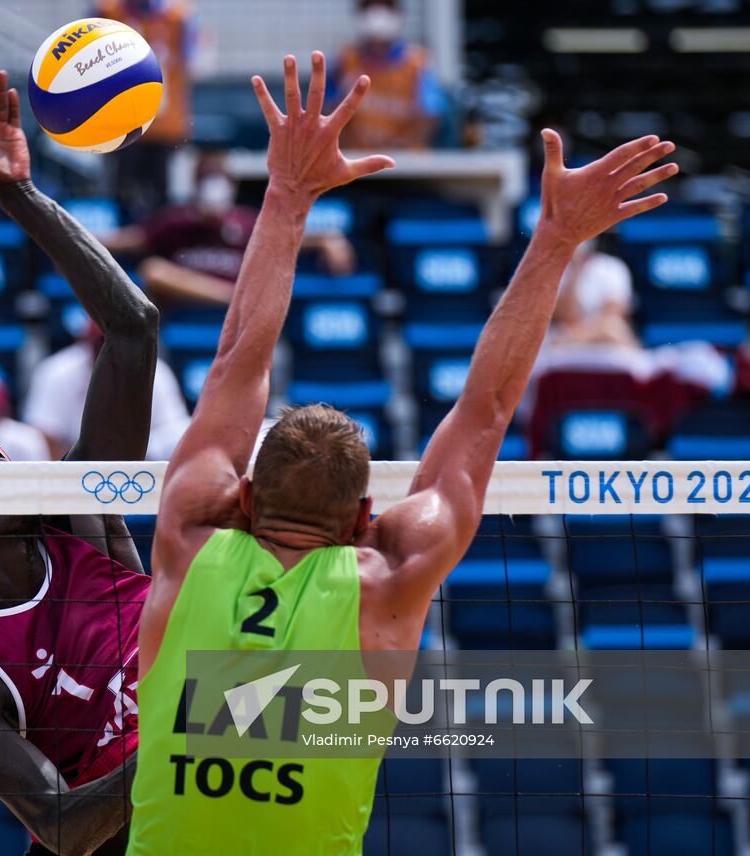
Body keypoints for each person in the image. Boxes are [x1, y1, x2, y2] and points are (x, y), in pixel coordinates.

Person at [128, 51, 676, 852]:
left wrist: (285, 194)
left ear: (244, 499)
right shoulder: (386, 581)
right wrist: (556, 240)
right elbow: (484, 413)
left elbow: (236, 358)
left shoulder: (187, 536)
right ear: (363, 517)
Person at [0, 69, 160, 856]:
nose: (2, 454)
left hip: (207, 808)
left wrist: (20, 198)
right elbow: (60, 825)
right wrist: (175, 756)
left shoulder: (78, 513)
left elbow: (134, 331)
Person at [102, 150, 357, 307]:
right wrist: (67, 236)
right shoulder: (175, 221)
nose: (214, 187)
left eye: (219, 178)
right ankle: (230, 297)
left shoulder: (249, 222)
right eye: (207, 178)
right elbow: (129, 241)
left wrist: (330, 240)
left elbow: (293, 238)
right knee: (153, 271)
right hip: (189, 308)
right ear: (195, 185)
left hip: (238, 320)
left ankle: (235, 300)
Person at [93, 0, 203, 219]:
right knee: (121, 194)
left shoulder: (180, 16)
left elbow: (197, 63)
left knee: (164, 198)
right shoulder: (107, 11)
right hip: (119, 124)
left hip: (165, 124)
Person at [24, 323, 190, 461]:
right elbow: (47, 436)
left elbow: (173, 429)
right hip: (74, 465)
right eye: (103, 341)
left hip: (141, 465)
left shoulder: (156, 372)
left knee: (180, 433)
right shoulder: (58, 370)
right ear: (87, 341)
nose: (110, 349)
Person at [333, 0, 446, 150]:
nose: (378, 15)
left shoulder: (418, 62)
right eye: (370, 7)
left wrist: (397, 150)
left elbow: (430, 114)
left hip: (406, 164)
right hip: (353, 162)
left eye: (386, 7)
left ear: (398, 13)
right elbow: (329, 112)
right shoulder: (345, 60)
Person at [550, 240, 639, 348]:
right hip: (566, 336)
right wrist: (575, 271)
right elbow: (566, 318)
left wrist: (578, 336)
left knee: (614, 330)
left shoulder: (612, 267)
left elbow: (613, 315)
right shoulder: (555, 270)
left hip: (594, 336)